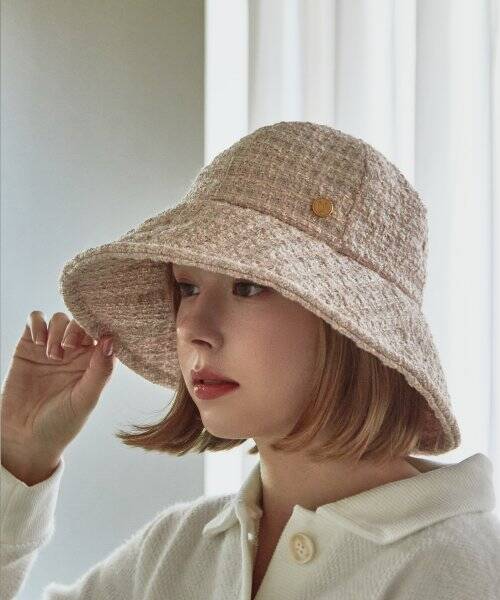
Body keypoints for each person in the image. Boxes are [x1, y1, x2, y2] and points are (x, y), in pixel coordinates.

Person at [1, 121, 499, 600]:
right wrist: (18, 457)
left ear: (350, 327)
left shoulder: (462, 571)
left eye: (247, 287)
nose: (192, 328)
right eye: (187, 288)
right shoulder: (174, 551)